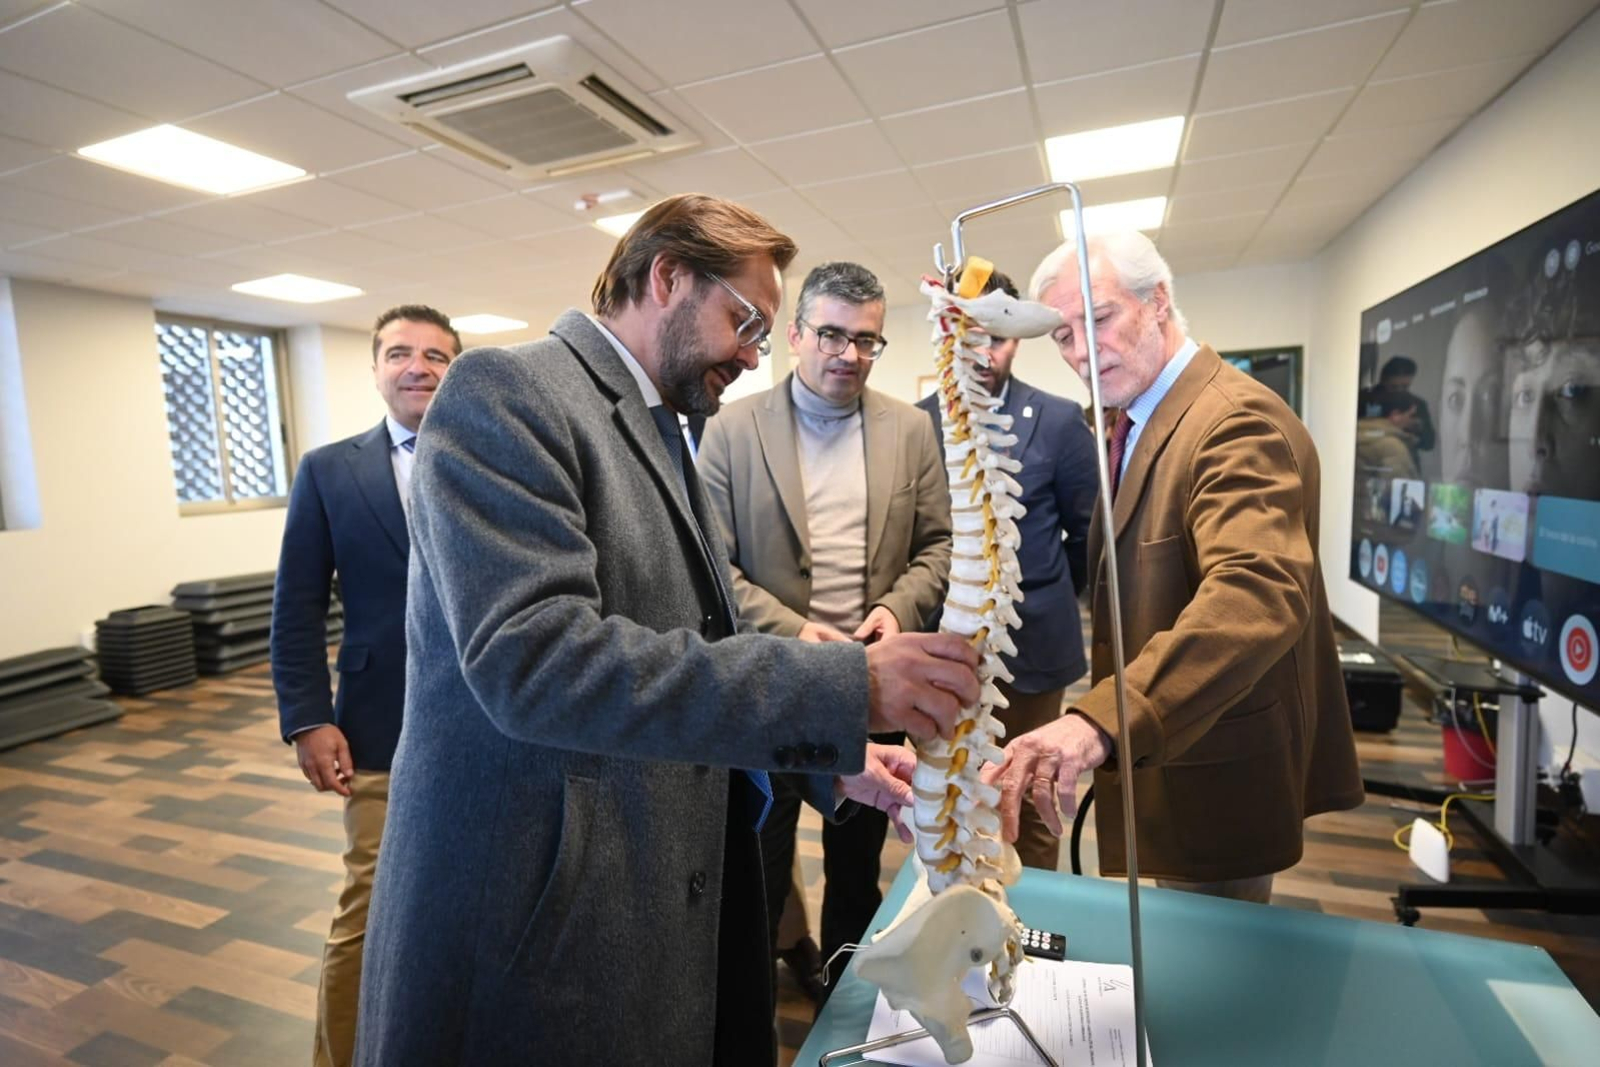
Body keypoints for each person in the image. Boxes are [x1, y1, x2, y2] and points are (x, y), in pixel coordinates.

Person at [355, 194, 981, 1066]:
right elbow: (537, 661)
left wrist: (829, 756)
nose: (756, 351)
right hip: (536, 922)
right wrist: (852, 686)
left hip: (639, 897)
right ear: (667, 277)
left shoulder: (659, 425)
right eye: (746, 319)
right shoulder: (508, 392)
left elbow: (688, 646)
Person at [987, 231, 1364, 904]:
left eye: (1097, 320)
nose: (1080, 351)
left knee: (1214, 963)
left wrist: (1098, 720)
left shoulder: (1231, 420)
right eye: (1063, 337)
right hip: (1168, 744)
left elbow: (1255, 595)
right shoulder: (1131, 417)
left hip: (1219, 756)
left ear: (1157, 300)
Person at [698, 261, 949, 998]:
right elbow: (715, 566)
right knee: (760, 862)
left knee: (856, 862)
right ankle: (749, 1007)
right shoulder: (731, 430)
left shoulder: (910, 428)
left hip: (876, 686)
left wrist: (899, 609)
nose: (849, 354)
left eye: (867, 339)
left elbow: (939, 545)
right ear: (797, 335)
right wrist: (796, 630)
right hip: (771, 683)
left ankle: (848, 993)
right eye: (832, 334)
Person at [270, 304, 460, 1067]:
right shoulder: (327, 468)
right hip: (380, 721)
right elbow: (298, 601)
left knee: (466, 905)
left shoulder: (498, 457)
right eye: (401, 352)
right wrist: (308, 716)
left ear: (458, 370)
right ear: (376, 367)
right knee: (371, 905)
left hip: (493, 720)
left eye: (437, 355)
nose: (418, 366)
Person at [915, 268, 1098, 871]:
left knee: (1028, 791)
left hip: (1036, 641)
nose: (986, 350)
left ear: (1016, 337)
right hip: (943, 643)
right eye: (973, 332)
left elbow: (1087, 533)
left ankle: (1039, 924)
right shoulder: (918, 423)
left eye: (998, 335)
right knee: (954, 794)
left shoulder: (1060, 418)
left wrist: (1039, 591)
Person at [1360, 355, 1436, 461]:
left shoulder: (1417, 404)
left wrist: (1419, 429)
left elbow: (1429, 444)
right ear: (1383, 380)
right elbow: (1355, 433)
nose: (1399, 391)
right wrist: (1391, 425)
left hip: (1403, 466)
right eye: (1393, 387)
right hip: (1367, 463)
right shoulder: (1365, 398)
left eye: (1405, 387)